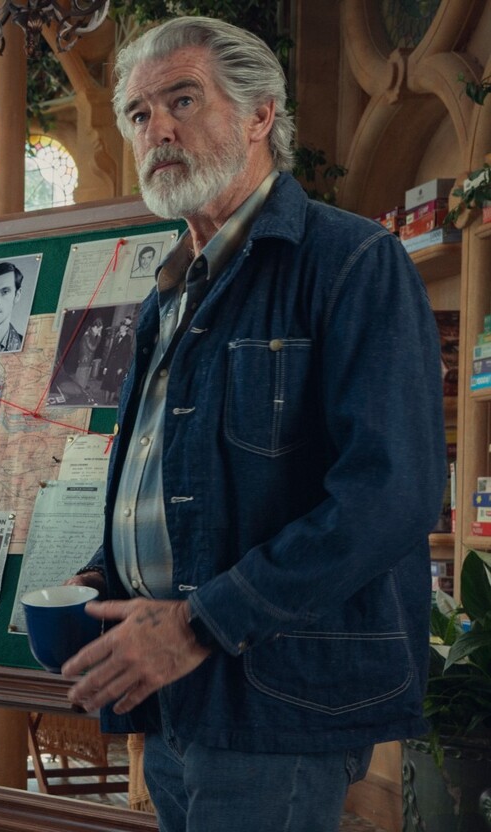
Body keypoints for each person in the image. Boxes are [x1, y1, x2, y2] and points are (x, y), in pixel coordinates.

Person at [59, 17, 443, 832]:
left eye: (182, 101)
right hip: (173, 692)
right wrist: (107, 572)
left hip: (278, 700)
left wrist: (200, 622)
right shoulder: (171, 290)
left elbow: (390, 496)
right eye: (138, 114)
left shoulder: (351, 262)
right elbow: (179, 476)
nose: (157, 130)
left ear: (261, 114)